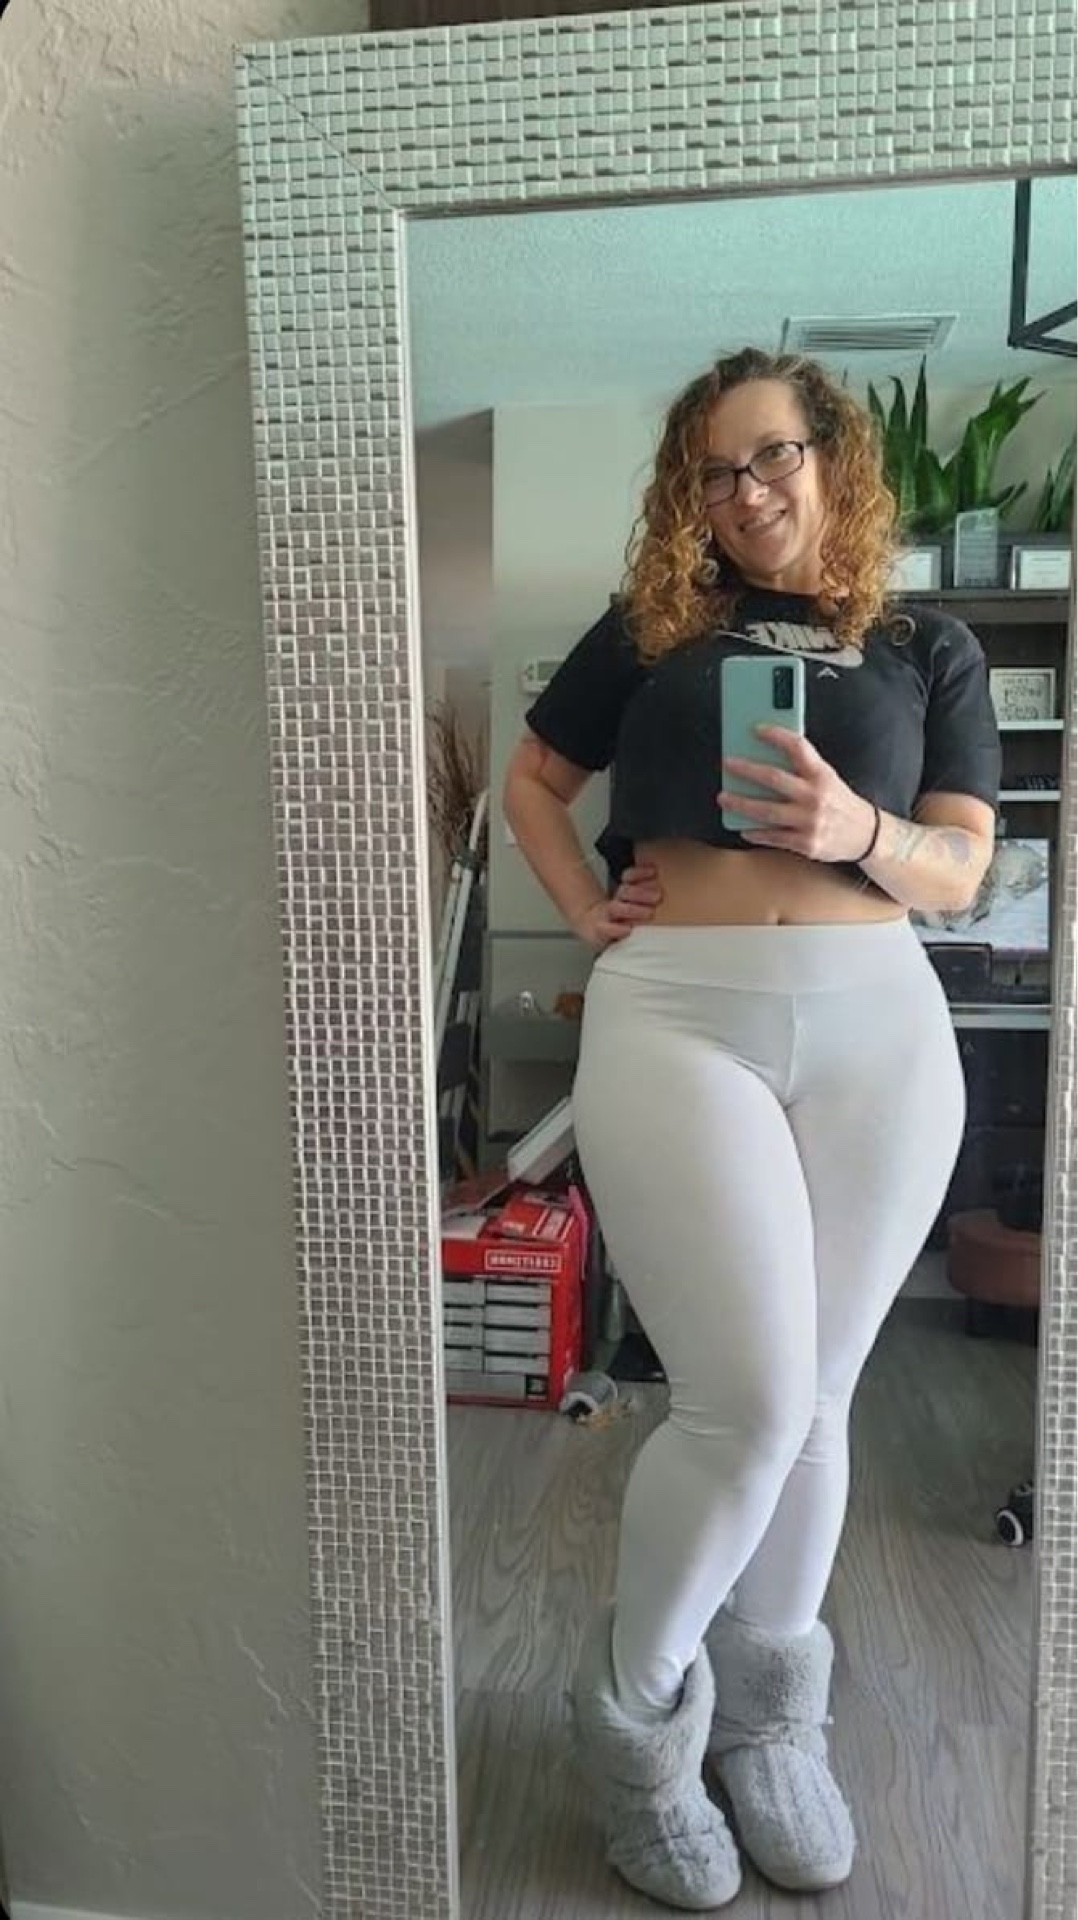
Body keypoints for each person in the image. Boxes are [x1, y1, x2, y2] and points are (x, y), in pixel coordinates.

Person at [502, 347, 1001, 1911]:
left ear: (831, 457)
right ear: (689, 494)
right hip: (679, 1013)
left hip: (876, 1024)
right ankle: (635, 1726)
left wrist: (859, 829)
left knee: (824, 1399)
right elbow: (532, 783)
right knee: (745, 1401)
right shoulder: (651, 626)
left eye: (772, 455)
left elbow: (960, 870)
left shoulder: (926, 644)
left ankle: (772, 1724)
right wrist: (584, 909)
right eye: (713, 471)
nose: (745, 491)